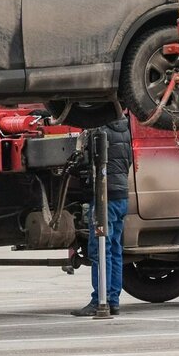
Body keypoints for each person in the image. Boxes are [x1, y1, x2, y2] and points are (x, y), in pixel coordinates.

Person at [71, 113, 132, 317]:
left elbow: (88, 162)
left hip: (104, 197)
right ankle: (113, 299)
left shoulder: (99, 132)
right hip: (122, 195)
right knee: (115, 250)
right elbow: (128, 162)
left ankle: (100, 300)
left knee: (100, 250)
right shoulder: (125, 130)